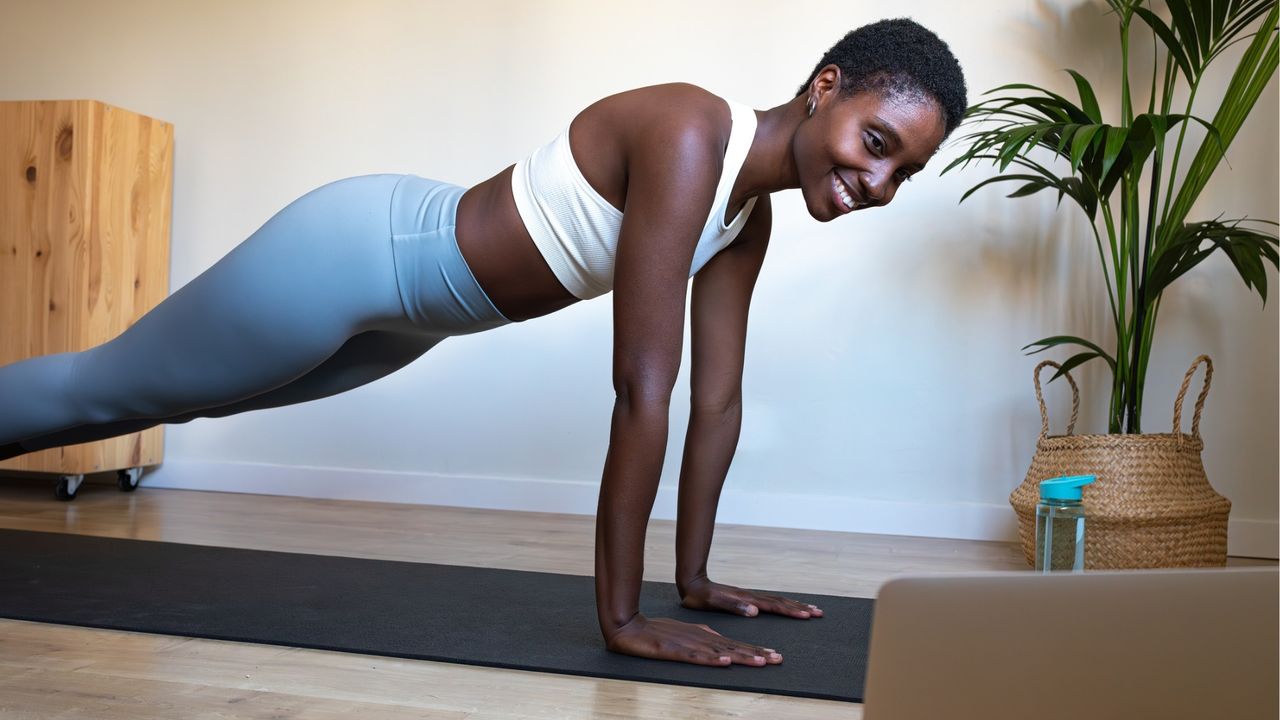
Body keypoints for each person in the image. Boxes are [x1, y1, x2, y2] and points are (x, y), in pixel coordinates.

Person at [0, 18, 966, 668]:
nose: (877, 184)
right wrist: (623, 619)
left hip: (411, 321)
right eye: (877, 142)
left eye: (903, 174)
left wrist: (698, 580)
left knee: (185, 396)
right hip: (359, 256)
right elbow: (645, 387)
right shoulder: (688, 132)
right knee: (115, 391)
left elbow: (718, 402)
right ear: (824, 88)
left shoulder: (743, 220)